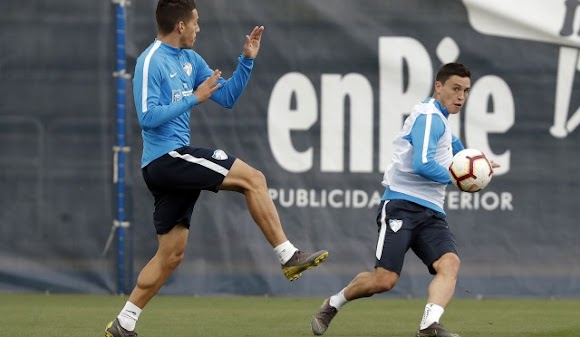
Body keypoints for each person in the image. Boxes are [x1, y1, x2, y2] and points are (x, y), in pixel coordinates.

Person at [104, 1, 328, 336]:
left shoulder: (190, 60)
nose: (199, 28)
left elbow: (226, 97)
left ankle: (124, 322)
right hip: (167, 159)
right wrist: (194, 98)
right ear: (180, 25)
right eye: (195, 22)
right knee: (253, 179)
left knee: (171, 255)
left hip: (172, 164)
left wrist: (247, 61)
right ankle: (287, 255)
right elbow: (147, 118)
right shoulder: (151, 61)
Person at [309, 63, 499, 337]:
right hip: (402, 205)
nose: (461, 96)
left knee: (450, 264)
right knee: (384, 280)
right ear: (438, 86)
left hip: (431, 212)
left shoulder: (441, 119)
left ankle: (428, 326)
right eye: (456, 88)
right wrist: (457, 176)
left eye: (466, 91)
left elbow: (454, 147)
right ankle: (333, 304)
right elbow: (423, 164)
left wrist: (478, 164)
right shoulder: (429, 118)